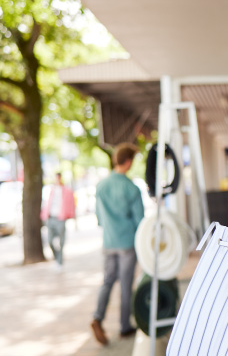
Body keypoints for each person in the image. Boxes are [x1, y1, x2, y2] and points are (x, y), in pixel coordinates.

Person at [90, 143, 144, 346]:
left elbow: (99, 218)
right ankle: (124, 326)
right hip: (127, 242)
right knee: (125, 285)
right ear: (128, 162)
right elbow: (140, 220)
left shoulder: (101, 186)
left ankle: (97, 317)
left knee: (107, 281)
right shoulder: (131, 188)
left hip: (109, 241)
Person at [40, 172, 75, 268]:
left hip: (61, 218)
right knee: (50, 240)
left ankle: (60, 261)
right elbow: (45, 204)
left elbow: (71, 204)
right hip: (51, 218)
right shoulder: (50, 190)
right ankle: (57, 258)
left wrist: (71, 215)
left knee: (62, 241)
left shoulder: (66, 191)